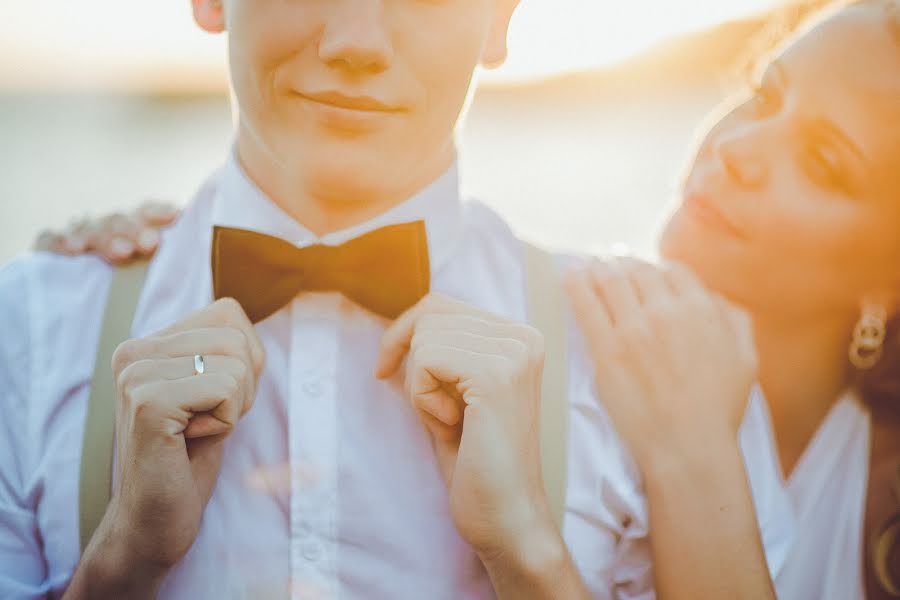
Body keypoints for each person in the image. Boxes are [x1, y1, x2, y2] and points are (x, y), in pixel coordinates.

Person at [7, 1, 794, 598]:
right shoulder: (28, 329)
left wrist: (527, 552)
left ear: (502, 17)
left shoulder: (659, 363)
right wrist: (120, 562)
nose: (356, 43)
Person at [565, 1, 900, 598]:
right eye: (764, 95)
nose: (738, 148)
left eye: (823, 162)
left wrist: (693, 451)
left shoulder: (883, 505)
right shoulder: (561, 350)